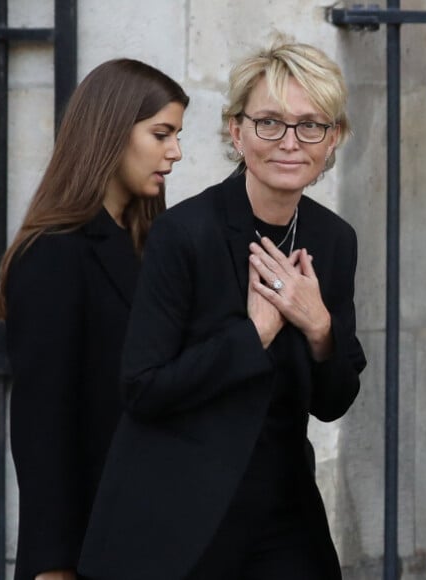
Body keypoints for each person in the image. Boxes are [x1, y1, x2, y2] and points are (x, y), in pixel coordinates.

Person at [79, 37, 366, 580]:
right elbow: (143, 388)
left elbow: (334, 401)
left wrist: (320, 327)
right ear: (237, 132)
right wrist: (252, 335)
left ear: (333, 140)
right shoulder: (184, 234)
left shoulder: (334, 240)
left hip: (284, 514)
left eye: (311, 125)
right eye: (269, 123)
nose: (290, 141)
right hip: (180, 516)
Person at [0, 58, 189, 580]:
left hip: (166, 534)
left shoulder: (156, 244)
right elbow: (42, 429)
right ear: (111, 130)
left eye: (176, 135)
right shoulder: (54, 253)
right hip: (93, 549)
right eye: (161, 133)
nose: (175, 152)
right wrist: (53, 565)